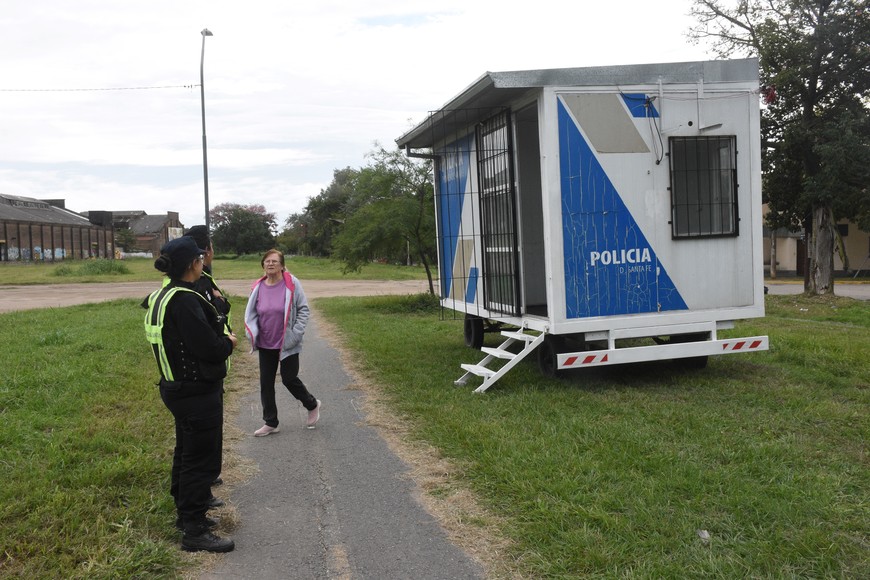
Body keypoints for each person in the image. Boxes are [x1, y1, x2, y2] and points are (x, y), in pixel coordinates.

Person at [144, 236, 238, 553]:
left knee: (185, 454)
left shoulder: (162, 294)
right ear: (192, 265)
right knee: (200, 460)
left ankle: (185, 516)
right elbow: (209, 348)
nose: (203, 263)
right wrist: (230, 342)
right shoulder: (184, 300)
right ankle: (194, 530)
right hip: (196, 391)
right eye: (200, 260)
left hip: (176, 388)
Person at [244, 249, 321, 436]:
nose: (270, 264)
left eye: (274, 261)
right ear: (263, 265)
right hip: (266, 342)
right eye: (267, 261)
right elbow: (252, 312)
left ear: (282, 265)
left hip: (287, 342)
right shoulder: (258, 287)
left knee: (289, 379)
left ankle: (312, 404)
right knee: (266, 383)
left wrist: (296, 333)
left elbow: (303, 309)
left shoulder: (291, 284)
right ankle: (271, 422)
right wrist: (251, 332)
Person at [184, 225, 229, 490]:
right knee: (203, 436)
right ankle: (206, 480)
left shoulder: (197, 278)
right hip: (204, 370)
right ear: (206, 252)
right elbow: (213, 314)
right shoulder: (198, 283)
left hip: (206, 369)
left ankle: (209, 474)